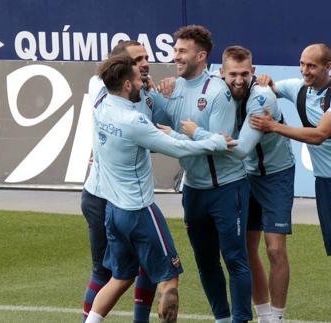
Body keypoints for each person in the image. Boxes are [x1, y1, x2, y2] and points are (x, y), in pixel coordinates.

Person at [85, 54, 235, 323]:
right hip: (140, 212)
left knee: (120, 277)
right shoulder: (133, 121)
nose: (143, 82)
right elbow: (176, 147)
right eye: (138, 78)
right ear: (127, 85)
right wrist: (214, 142)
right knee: (169, 279)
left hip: (113, 212)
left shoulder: (100, 102)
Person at [250, 44, 331, 323]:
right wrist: (263, 81)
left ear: (328, 67)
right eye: (301, 64)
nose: (304, 71)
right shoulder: (298, 87)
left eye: (311, 66)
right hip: (325, 184)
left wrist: (274, 126)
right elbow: (268, 85)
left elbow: (319, 135)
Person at [178, 46, 295, 323]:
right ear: (222, 73)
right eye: (233, 74)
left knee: (275, 249)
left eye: (245, 74)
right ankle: (263, 315)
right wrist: (171, 81)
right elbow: (193, 78)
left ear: (253, 72)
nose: (239, 80)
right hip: (243, 176)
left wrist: (197, 134)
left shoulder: (262, 96)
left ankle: (276, 319)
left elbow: (241, 148)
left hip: (275, 174)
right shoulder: (218, 88)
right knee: (245, 249)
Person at [159, 25, 252, 323]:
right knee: (205, 261)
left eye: (182, 51)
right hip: (194, 191)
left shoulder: (217, 92)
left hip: (228, 188)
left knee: (235, 260)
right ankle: (221, 318)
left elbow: (220, 145)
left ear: (201, 56)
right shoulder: (172, 88)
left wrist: (175, 137)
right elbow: (152, 124)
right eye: (175, 50)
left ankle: (239, 320)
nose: (176, 56)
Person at [81, 40, 167, 323]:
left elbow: (149, 138)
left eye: (145, 58)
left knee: (147, 265)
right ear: (119, 67)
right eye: (135, 60)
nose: (143, 64)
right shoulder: (102, 88)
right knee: (105, 271)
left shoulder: (144, 95)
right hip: (102, 197)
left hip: (127, 197)